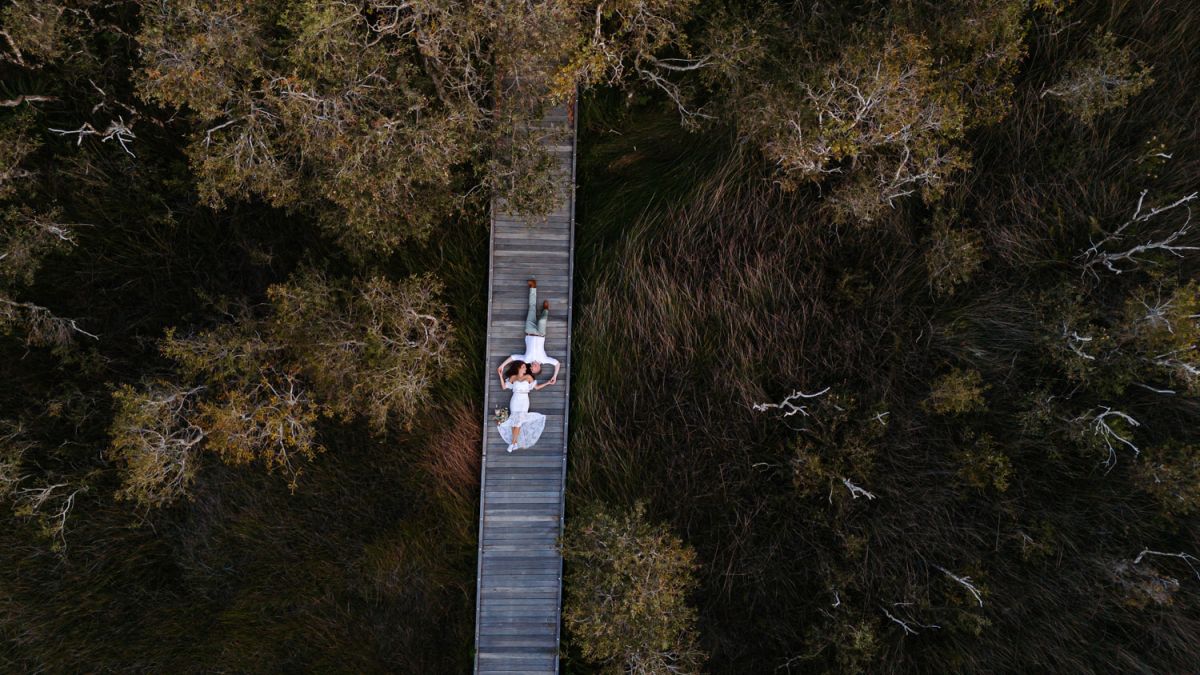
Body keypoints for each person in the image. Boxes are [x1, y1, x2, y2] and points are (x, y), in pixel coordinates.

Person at [497, 279, 560, 385]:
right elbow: (557, 364)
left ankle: (533, 287)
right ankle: (545, 310)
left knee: (531, 308)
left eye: (531, 368)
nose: (532, 367)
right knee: (542, 320)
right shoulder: (544, 359)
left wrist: (502, 366)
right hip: (540, 333)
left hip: (529, 331)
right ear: (539, 368)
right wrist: (554, 376)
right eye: (535, 368)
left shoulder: (526, 359)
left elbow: (513, 357)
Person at [497, 360, 550, 452]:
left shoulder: (528, 377)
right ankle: (515, 443)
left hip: (524, 400)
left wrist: (548, 382)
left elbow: (536, 387)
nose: (526, 368)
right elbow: (504, 387)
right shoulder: (513, 377)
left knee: (518, 422)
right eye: (524, 366)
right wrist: (500, 376)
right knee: (515, 421)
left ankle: (512, 444)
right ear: (519, 367)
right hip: (515, 400)